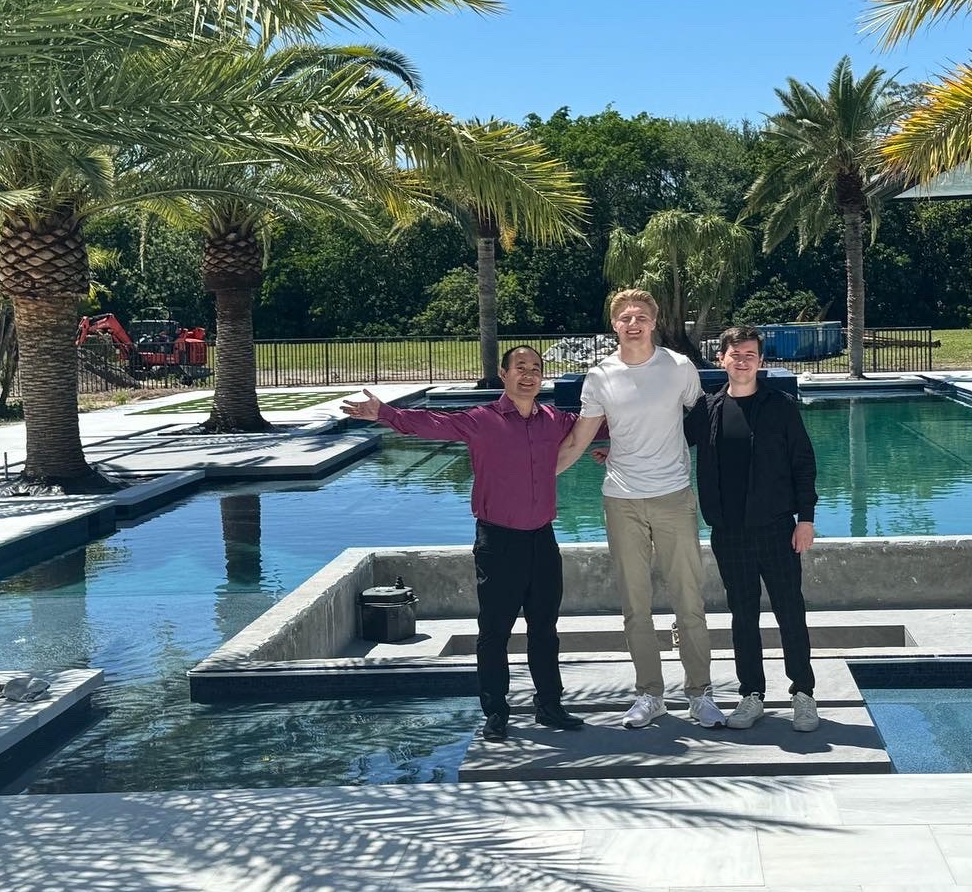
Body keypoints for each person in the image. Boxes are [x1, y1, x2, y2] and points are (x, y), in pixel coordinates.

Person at [341, 346, 586, 742]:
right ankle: (496, 711)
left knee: (545, 627)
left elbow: (601, 425)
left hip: (543, 539)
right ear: (503, 376)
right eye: (520, 368)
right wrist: (385, 413)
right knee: (494, 630)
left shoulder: (555, 421)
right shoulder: (481, 420)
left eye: (536, 369)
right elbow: (430, 422)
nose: (528, 375)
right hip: (498, 541)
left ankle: (550, 705)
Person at [556, 289, 726, 730]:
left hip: (674, 496)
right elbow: (579, 438)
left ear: (654, 322)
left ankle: (700, 692)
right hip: (622, 499)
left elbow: (702, 421)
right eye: (625, 317)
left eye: (641, 317)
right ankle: (650, 694)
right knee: (636, 605)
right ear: (614, 324)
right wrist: (538, 479)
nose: (633, 323)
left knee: (689, 600)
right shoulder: (600, 376)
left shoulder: (679, 367)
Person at [686, 325, 820, 732]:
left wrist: (806, 519)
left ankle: (803, 694)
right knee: (742, 615)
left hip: (778, 528)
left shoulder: (779, 406)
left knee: (789, 610)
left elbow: (803, 463)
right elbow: (660, 441)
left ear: (760, 361)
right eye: (735, 354)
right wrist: (615, 451)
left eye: (750, 354)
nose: (742, 360)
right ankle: (752, 694)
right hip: (730, 532)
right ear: (722, 359)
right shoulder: (707, 409)